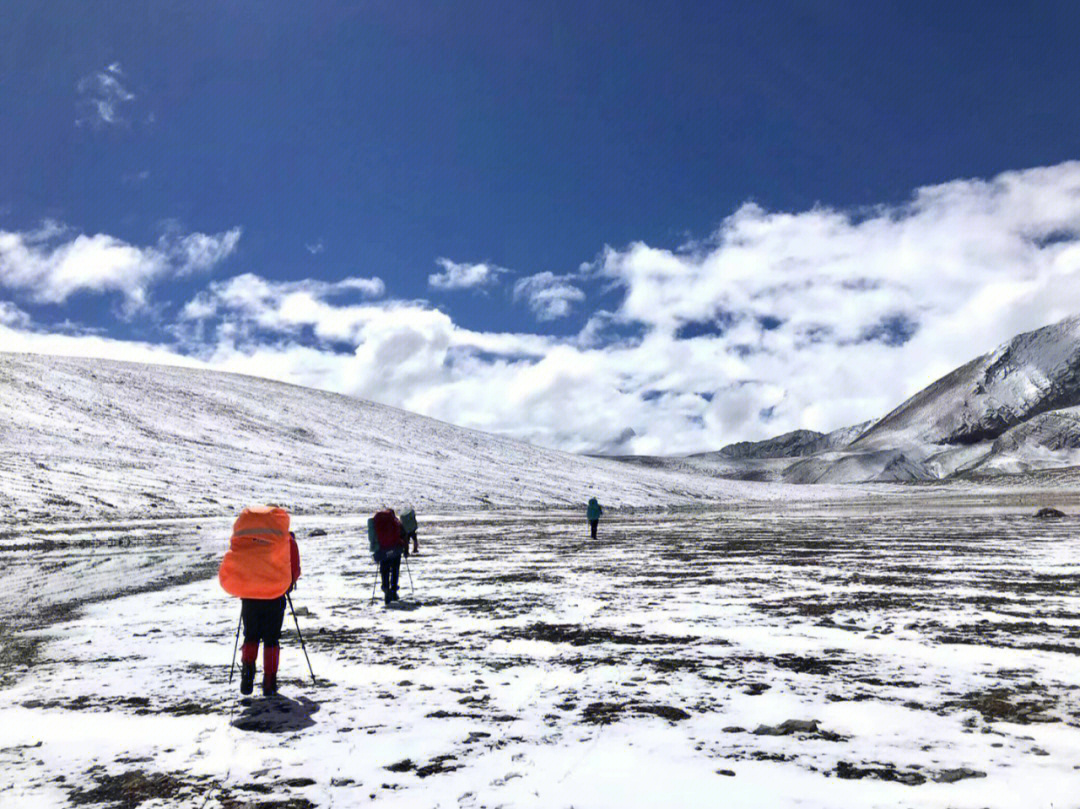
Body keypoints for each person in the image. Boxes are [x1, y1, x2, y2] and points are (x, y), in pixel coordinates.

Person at [239, 530, 301, 696]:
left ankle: (247, 673)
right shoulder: (287, 540)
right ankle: (269, 681)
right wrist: (289, 584)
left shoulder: (250, 538)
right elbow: (295, 569)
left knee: (251, 636)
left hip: (251, 597)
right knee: (271, 639)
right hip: (275, 596)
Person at [373, 509, 407, 605]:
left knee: (384, 571)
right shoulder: (396, 523)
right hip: (396, 550)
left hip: (383, 550)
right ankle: (393, 591)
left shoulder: (379, 523)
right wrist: (406, 550)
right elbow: (404, 535)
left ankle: (386, 589)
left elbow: (374, 537)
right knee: (395, 570)